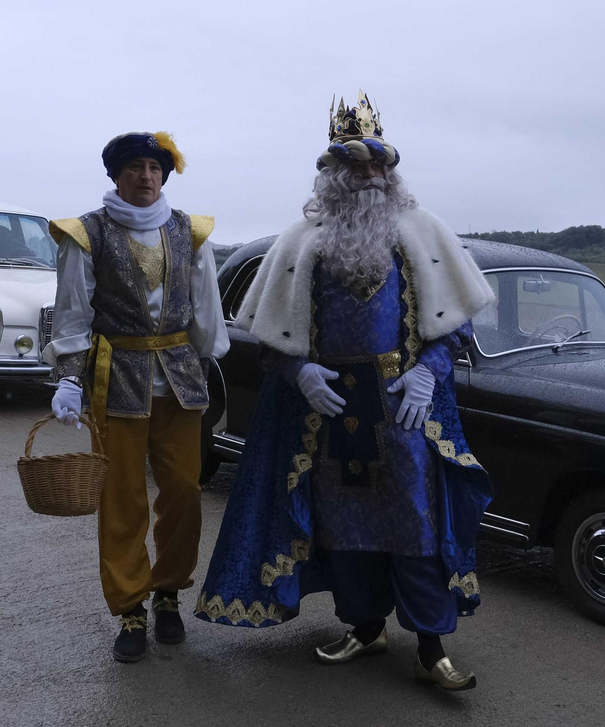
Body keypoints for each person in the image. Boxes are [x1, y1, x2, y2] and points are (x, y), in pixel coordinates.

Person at [196, 94, 495, 692]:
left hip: (403, 408)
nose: (368, 177)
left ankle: (431, 646)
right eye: (355, 166)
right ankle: (365, 627)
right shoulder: (301, 240)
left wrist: (429, 369)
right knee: (346, 526)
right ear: (332, 173)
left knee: (415, 525)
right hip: (329, 411)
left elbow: (454, 322)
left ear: (390, 170)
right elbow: (275, 335)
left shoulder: (423, 231)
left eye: (377, 165)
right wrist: (300, 373)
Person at [46, 132, 228, 663]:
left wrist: (208, 361)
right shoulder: (87, 233)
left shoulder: (190, 232)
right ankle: (129, 607)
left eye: (155, 166)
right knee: (122, 498)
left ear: (164, 176)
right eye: (135, 167)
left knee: (183, 492)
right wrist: (69, 378)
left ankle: (168, 592)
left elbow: (206, 310)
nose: (145, 175)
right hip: (115, 377)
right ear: (116, 176)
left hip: (178, 380)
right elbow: (74, 312)